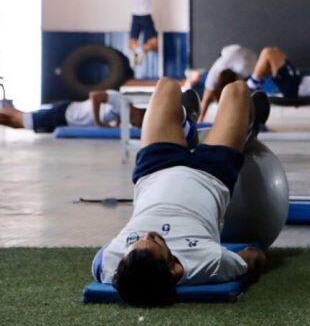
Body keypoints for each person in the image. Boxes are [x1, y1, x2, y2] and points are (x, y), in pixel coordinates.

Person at [92, 78, 268, 306]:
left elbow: (101, 265)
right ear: (175, 268)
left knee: (167, 86)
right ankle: (248, 127)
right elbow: (253, 258)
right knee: (236, 90)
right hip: (212, 173)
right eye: (155, 239)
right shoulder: (209, 263)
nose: (146, 234)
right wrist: (258, 254)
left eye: (137, 241)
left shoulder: (109, 264)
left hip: (155, 169)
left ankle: (186, 127)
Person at [0, 89, 144, 132]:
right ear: (138, 113)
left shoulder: (123, 112)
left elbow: (113, 116)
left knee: (21, 117)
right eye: (138, 123)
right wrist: (98, 122)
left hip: (66, 116)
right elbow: (94, 96)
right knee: (19, 122)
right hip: (66, 114)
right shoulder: (121, 100)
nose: (136, 126)